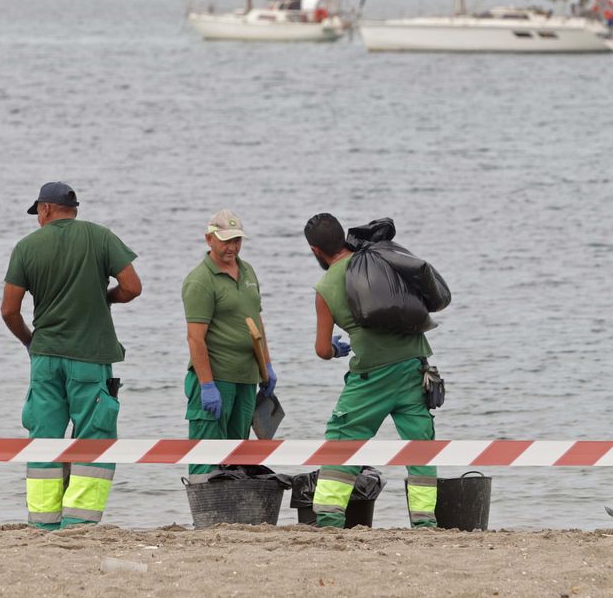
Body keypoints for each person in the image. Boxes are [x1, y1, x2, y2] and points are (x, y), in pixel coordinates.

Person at [1, 181, 141, 529]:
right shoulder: (101, 237)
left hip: (46, 356)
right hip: (90, 356)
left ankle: (43, 522)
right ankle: (78, 522)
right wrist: (107, 297)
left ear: (45, 210)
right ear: (73, 209)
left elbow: (9, 311)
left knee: (44, 437)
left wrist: (30, 342)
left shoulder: (26, 248)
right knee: (94, 436)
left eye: (38, 214)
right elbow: (133, 287)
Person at [303, 212, 436, 529]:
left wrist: (337, 348)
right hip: (415, 367)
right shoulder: (377, 260)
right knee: (420, 447)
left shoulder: (325, 287)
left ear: (315, 251)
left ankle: (329, 519)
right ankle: (425, 523)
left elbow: (322, 350)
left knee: (341, 440)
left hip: (371, 376)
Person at [181, 210, 276, 483]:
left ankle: (231, 516)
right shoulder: (200, 280)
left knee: (239, 455)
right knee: (206, 455)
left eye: (237, 240)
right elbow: (195, 338)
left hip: (245, 378)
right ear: (209, 239)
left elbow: (256, 322)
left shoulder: (248, 271)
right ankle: (206, 518)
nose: (232, 247)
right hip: (215, 378)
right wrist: (207, 385)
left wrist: (266, 367)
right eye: (226, 241)